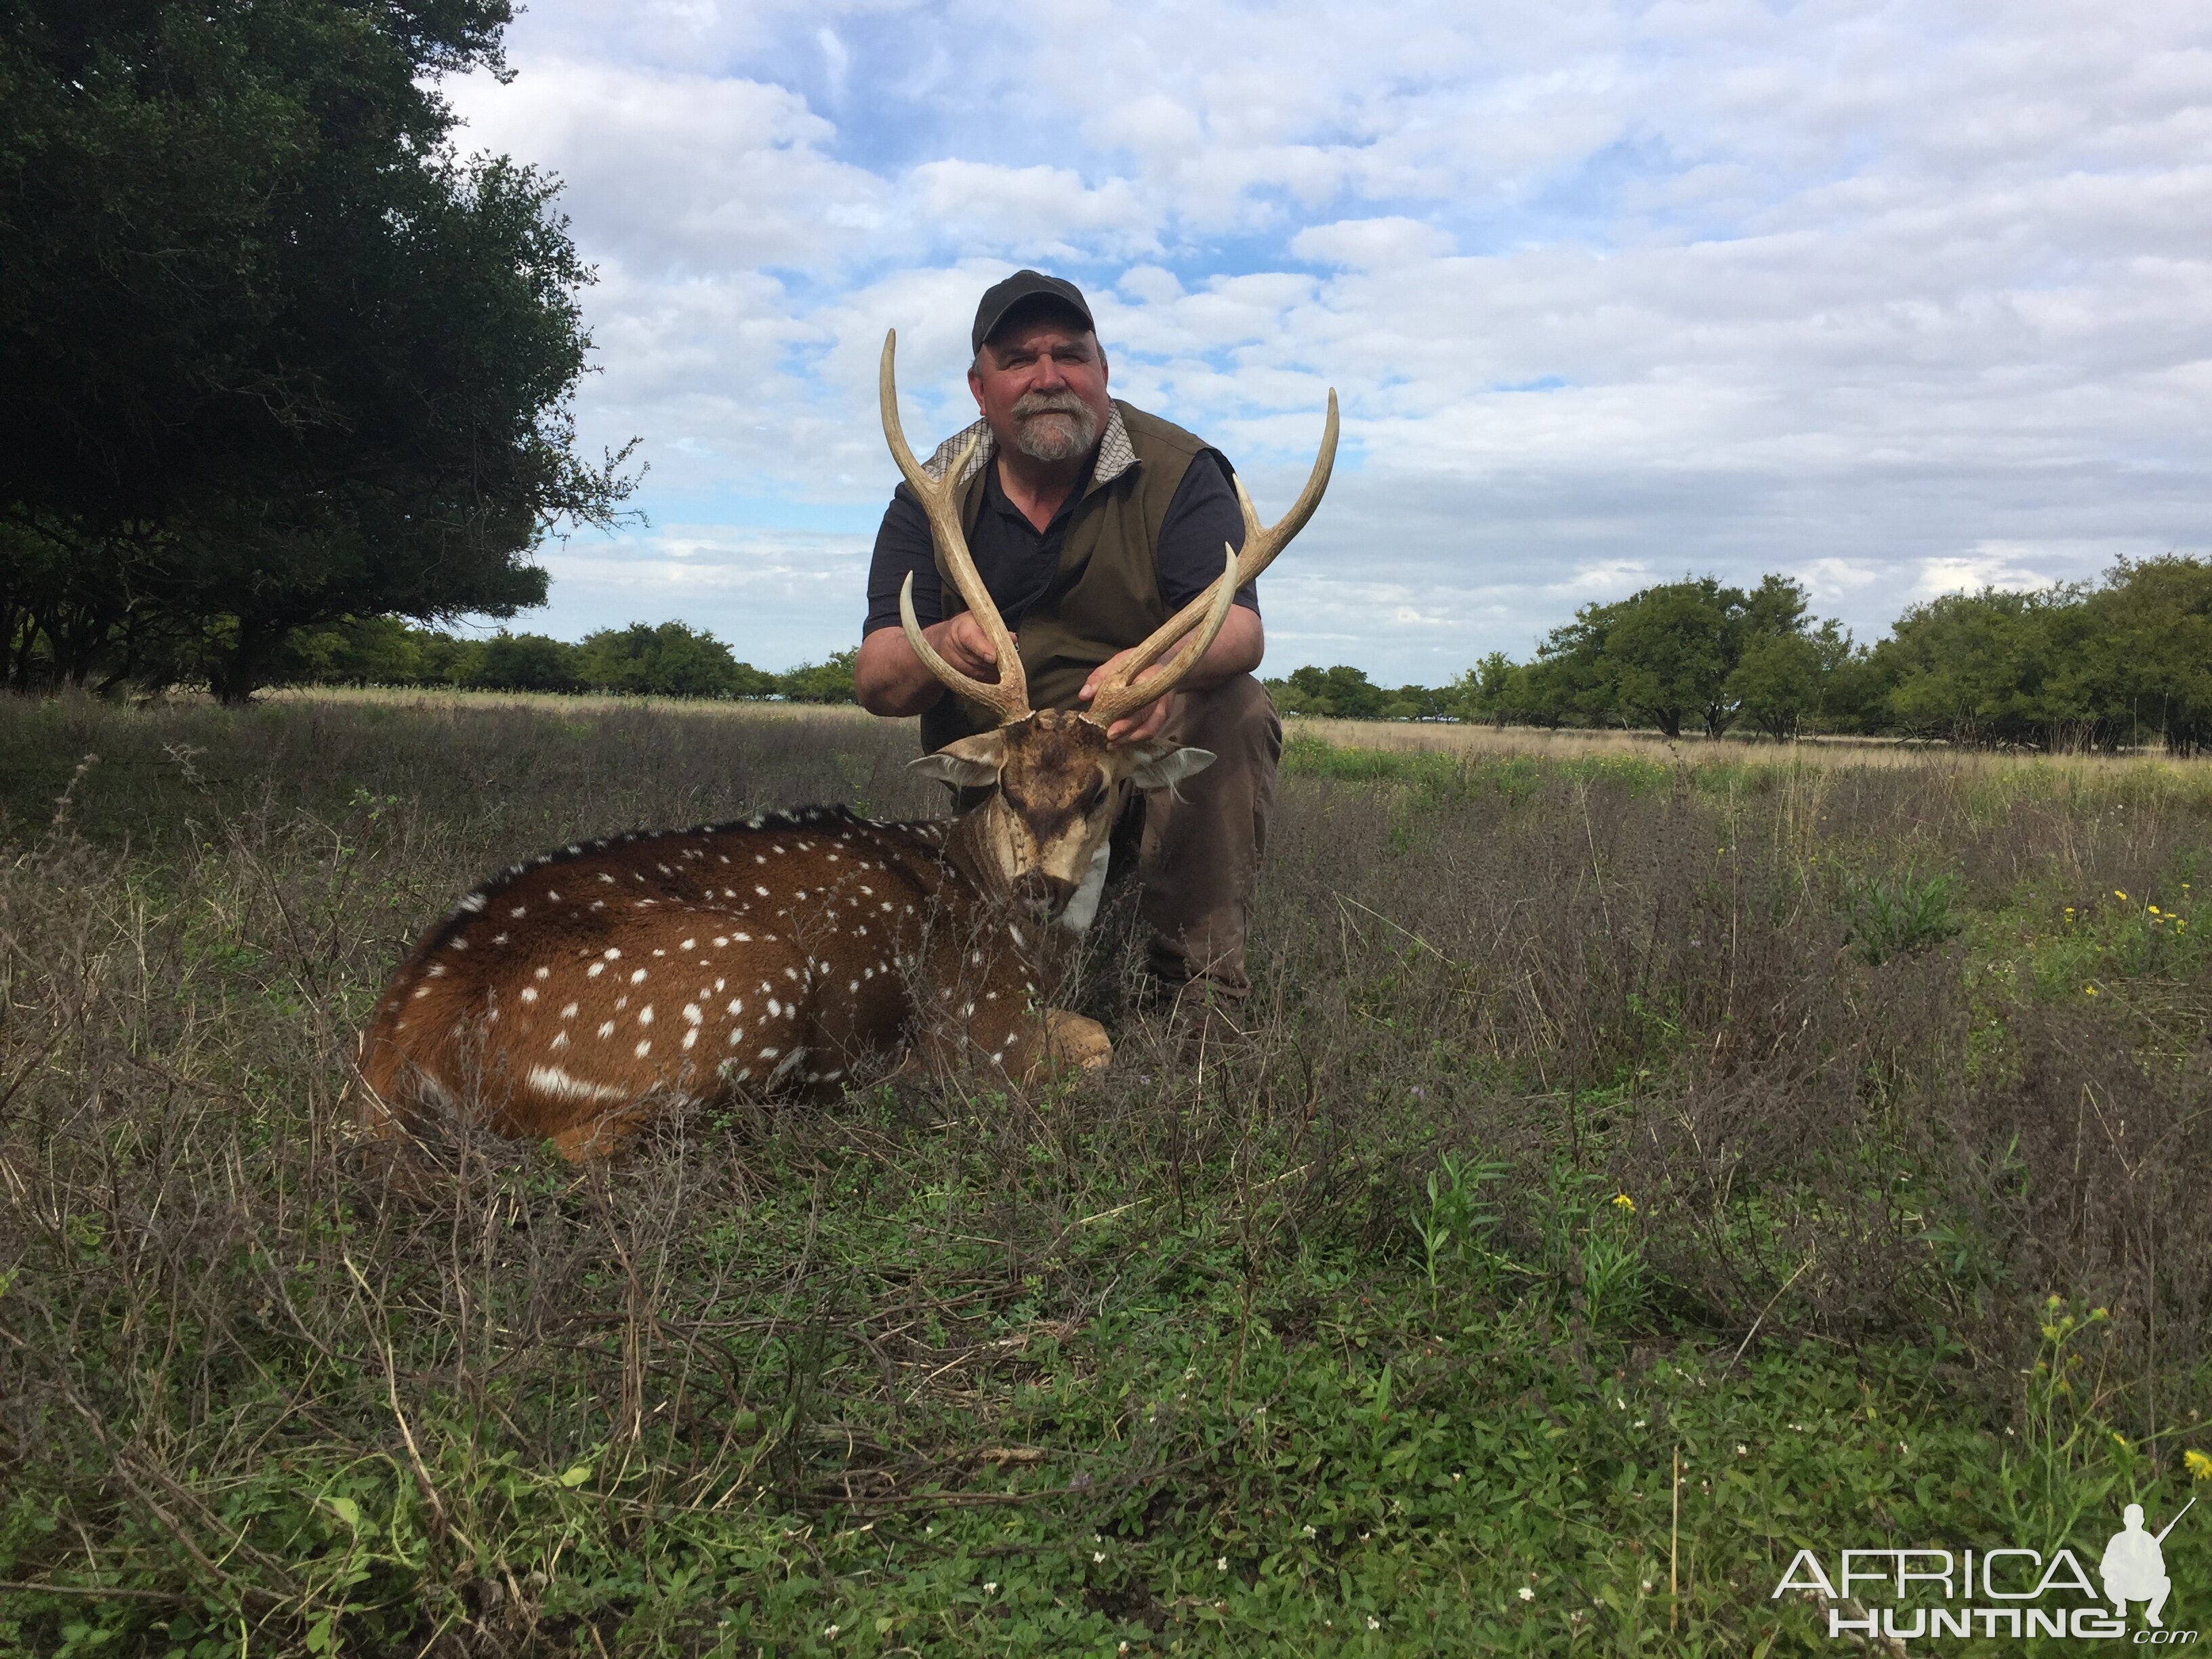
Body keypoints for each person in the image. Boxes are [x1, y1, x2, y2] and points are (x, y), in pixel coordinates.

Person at [855, 270, 1281, 1019]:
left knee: (1236, 708)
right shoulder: (930, 494)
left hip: (1128, 762)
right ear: (979, 389)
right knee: (982, 1002)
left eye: (1070, 355)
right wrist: (948, 644)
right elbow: (879, 682)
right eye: (1018, 359)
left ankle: (1200, 1000)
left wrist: (1159, 671)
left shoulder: (1179, 473)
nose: (1048, 378)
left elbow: (1240, 627)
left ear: (1103, 372)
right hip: (1004, 785)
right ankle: (999, 981)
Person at [2100, 1503, 2172, 1626]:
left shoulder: (2149, 1541)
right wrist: (2118, 1572)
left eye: (2137, 1519)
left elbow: (2161, 1569)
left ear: (2142, 1520)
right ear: (2125, 1520)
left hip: (2143, 1586)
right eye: (2131, 1518)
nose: (2134, 1522)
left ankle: (2153, 1614)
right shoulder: (2118, 1540)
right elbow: (2105, 1566)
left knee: (2165, 1582)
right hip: (2123, 1586)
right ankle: (2121, 1605)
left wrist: (2148, 1568)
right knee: (2109, 1582)